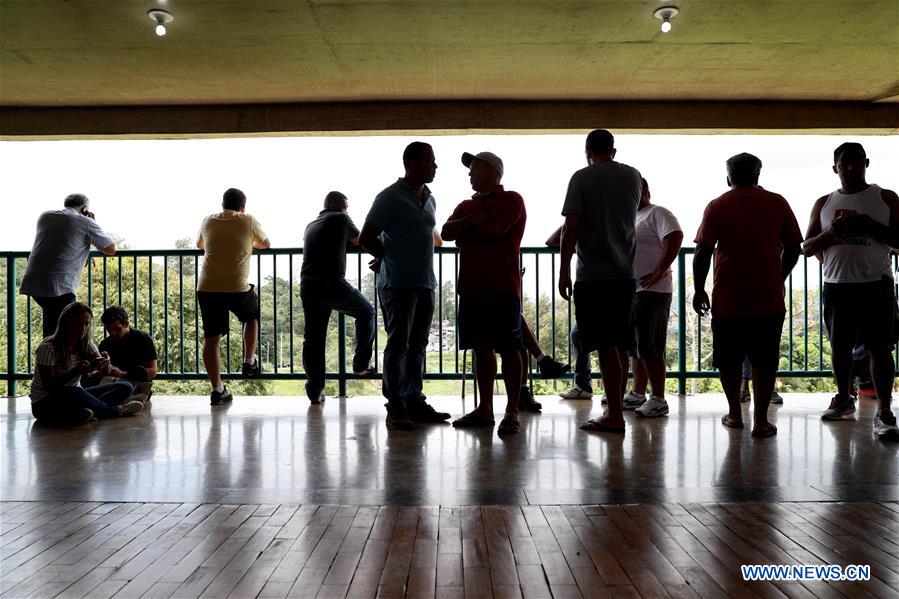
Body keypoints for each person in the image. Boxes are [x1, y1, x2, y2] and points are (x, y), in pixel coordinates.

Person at [693, 153, 802, 438]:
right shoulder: (777, 203)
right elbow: (793, 248)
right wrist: (779, 276)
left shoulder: (716, 206)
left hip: (728, 298)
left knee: (728, 360)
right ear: (758, 175)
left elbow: (703, 250)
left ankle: (734, 413)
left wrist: (699, 288)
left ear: (728, 177)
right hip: (768, 298)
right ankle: (762, 421)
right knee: (765, 361)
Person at [802, 142, 899, 439]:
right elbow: (806, 247)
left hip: (875, 284)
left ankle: (884, 411)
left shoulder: (885, 198)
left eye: (857, 162)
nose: (851, 168)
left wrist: (869, 226)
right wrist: (831, 233)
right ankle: (844, 399)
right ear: (835, 168)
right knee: (840, 347)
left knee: (879, 348)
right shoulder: (824, 202)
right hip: (837, 285)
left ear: (867, 163)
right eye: (845, 163)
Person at [359, 142, 451, 430]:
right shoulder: (389, 196)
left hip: (425, 282)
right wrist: (386, 258)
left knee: (419, 344)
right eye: (429, 161)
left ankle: (414, 400)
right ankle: (395, 405)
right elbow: (366, 237)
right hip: (397, 283)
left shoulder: (430, 198)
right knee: (398, 344)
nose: (435, 166)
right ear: (411, 163)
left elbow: (431, 236)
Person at [558, 129, 642, 433]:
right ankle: (615, 407)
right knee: (619, 343)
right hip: (625, 274)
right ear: (613, 151)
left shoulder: (581, 178)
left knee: (604, 344)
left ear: (587, 151)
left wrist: (564, 269)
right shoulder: (633, 176)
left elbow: (572, 227)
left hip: (594, 274)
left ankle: (615, 415)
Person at [443, 151, 527, 435]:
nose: (470, 174)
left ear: (494, 171)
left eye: (476, 168)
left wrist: (467, 229)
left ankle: (512, 410)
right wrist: (475, 221)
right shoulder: (467, 205)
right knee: (481, 348)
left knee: (508, 348)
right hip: (472, 286)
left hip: (502, 286)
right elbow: (446, 231)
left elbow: (495, 230)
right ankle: (486, 410)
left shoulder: (512, 199)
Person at [196, 188, 271, 406]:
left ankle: (217, 390)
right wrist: (249, 243)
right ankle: (249, 360)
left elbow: (199, 245)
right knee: (251, 315)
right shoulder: (247, 220)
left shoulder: (207, 220)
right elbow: (266, 244)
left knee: (212, 338)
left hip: (208, 287)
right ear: (243, 206)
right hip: (237, 287)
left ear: (222, 204)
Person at [300, 191, 376, 405]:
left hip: (308, 283)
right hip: (331, 282)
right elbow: (360, 240)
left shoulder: (311, 224)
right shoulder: (340, 218)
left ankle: (315, 390)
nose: (346, 211)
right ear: (334, 204)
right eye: (345, 206)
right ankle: (361, 364)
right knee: (366, 311)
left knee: (313, 339)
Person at [621, 178, 683, 418]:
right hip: (636, 289)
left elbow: (675, 236)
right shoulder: (632, 218)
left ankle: (659, 398)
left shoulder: (657, 213)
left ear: (646, 191)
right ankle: (638, 393)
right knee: (637, 345)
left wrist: (659, 270)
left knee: (650, 345)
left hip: (653, 291)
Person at [20, 193, 116, 338]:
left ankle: (49, 357)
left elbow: (66, 242)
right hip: (59, 287)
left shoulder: (45, 216)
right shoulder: (85, 222)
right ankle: (57, 359)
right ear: (84, 209)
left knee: (54, 328)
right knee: (69, 331)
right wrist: (92, 222)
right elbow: (110, 249)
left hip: (34, 283)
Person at [30, 302, 142, 426]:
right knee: (74, 391)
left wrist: (105, 364)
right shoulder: (48, 347)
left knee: (125, 387)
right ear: (66, 323)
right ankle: (114, 411)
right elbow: (50, 387)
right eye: (78, 324)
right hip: (45, 403)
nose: (83, 328)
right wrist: (76, 371)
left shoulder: (85, 343)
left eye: (86, 324)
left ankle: (90, 412)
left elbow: (104, 369)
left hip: (76, 397)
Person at [97, 306, 158, 403]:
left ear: (126, 324)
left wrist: (123, 374)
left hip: (137, 386)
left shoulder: (143, 339)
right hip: (114, 386)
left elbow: (153, 371)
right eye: (109, 330)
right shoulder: (105, 344)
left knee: (141, 371)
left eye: (117, 329)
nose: (113, 333)